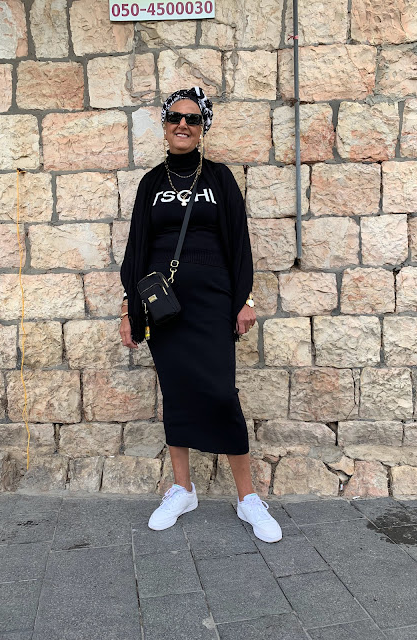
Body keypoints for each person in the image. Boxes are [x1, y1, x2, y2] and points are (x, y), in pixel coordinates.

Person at [120, 87, 282, 544]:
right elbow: (136, 250)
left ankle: (248, 498)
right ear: (165, 124)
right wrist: (130, 310)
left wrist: (243, 299)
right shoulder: (151, 183)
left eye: (192, 119)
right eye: (175, 118)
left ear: (203, 126)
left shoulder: (219, 178)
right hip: (163, 307)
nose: (183, 125)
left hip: (212, 302)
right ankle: (182, 488)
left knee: (219, 393)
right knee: (176, 392)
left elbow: (239, 242)